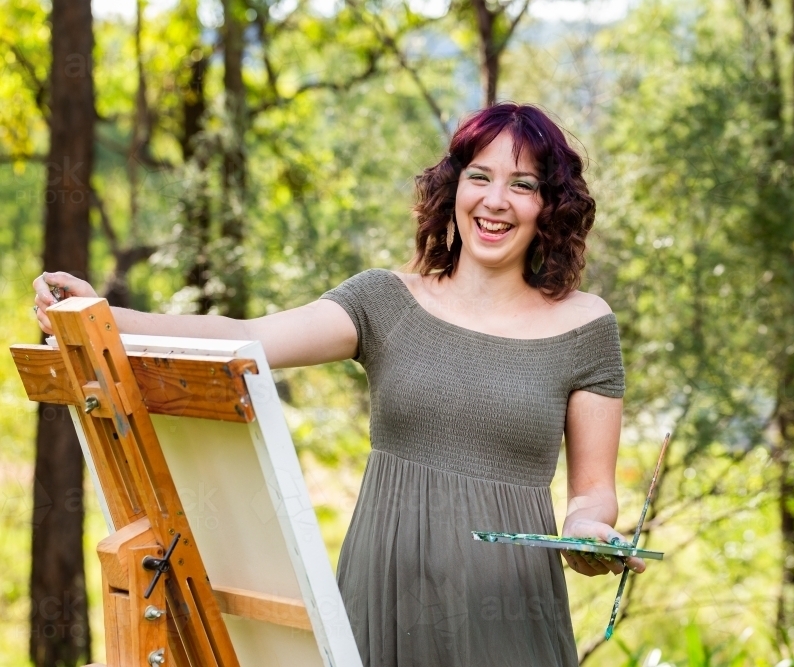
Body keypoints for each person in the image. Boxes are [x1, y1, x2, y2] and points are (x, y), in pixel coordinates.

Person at [33, 103, 644, 667]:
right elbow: (245, 336)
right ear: (454, 188)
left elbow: (592, 494)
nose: (496, 201)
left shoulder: (585, 325)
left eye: (523, 184)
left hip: (511, 618)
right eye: (479, 176)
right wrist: (105, 317)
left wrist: (589, 532)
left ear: (550, 206)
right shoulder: (383, 301)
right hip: (380, 604)